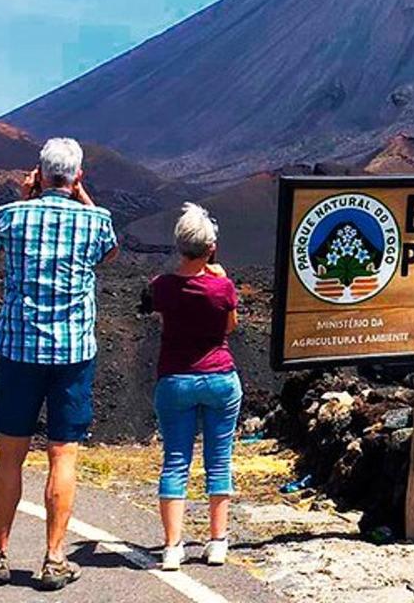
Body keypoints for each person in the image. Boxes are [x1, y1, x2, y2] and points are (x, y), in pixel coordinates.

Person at [0, 137, 118, 590]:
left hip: (19, 351)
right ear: (77, 177)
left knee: (10, 455)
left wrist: (25, 196)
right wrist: (82, 195)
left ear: (37, 173)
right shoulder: (96, 220)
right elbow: (110, 253)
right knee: (63, 453)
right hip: (73, 354)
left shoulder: (14, 216)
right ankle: (54, 559)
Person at [147, 203, 242, 571]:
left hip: (175, 379)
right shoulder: (222, 288)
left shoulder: (162, 287)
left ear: (179, 245)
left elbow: (158, 305)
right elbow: (230, 327)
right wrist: (221, 278)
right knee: (219, 461)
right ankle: (217, 542)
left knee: (175, 462)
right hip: (219, 377)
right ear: (211, 248)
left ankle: (172, 547)